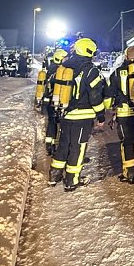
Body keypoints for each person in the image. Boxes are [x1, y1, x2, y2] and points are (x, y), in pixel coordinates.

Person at [49, 38, 105, 192]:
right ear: (90, 51)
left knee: (64, 144)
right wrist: (101, 116)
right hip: (83, 116)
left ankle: (54, 175)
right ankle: (71, 180)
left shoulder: (65, 67)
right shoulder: (91, 70)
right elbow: (95, 96)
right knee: (78, 147)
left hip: (66, 113)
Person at [106, 46, 134, 183]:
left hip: (124, 112)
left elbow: (109, 96)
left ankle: (129, 173)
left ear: (126, 56)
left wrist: (110, 109)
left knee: (127, 143)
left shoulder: (117, 72)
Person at [42, 48, 68, 155]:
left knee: (52, 123)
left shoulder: (51, 69)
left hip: (50, 101)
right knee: (62, 124)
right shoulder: (59, 70)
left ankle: (50, 145)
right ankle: (60, 148)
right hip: (57, 101)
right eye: (65, 58)